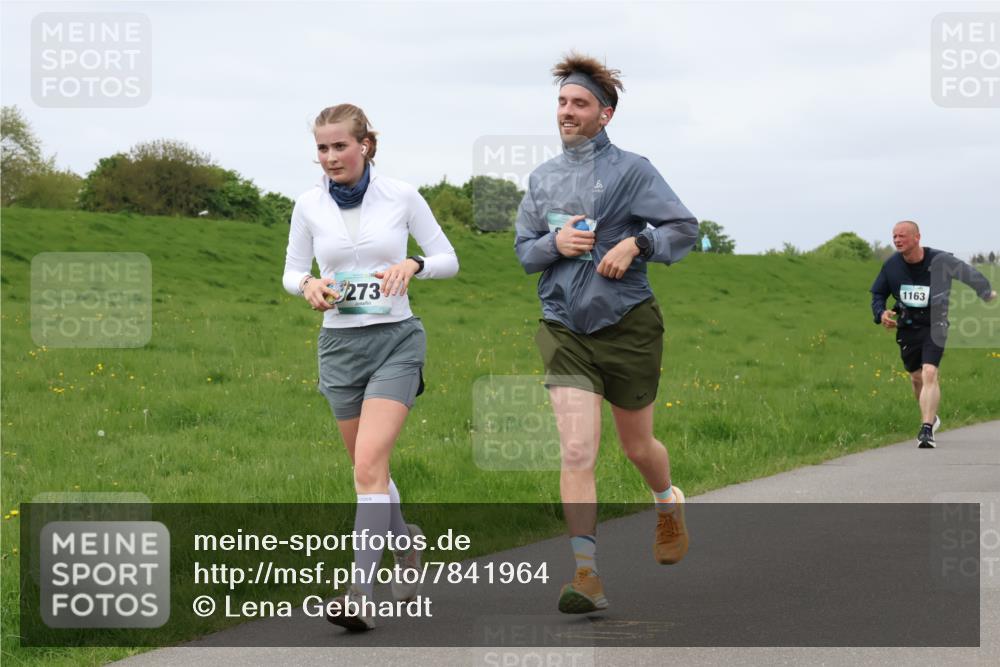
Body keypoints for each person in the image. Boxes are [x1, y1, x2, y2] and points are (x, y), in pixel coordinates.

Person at [514, 53, 699, 614]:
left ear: (606, 114)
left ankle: (666, 500)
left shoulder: (633, 171)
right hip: (563, 326)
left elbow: (684, 228)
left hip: (627, 323)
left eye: (580, 103)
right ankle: (586, 575)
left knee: (637, 446)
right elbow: (524, 252)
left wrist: (637, 243)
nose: (567, 112)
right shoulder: (542, 179)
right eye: (562, 102)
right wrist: (553, 245)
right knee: (576, 449)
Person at [282, 104, 459, 630]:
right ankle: (406, 545)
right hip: (339, 347)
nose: (330, 156)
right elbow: (292, 271)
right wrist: (309, 285)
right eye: (322, 147)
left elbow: (447, 258)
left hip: (395, 343)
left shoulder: (401, 196)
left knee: (367, 468)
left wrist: (413, 264)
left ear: (366, 145)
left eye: (340, 145)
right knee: (370, 471)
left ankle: (359, 592)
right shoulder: (309, 205)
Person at [870, 220, 995, 448]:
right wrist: (881, 313)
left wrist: (985, 291)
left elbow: (967, 273)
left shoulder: (941, 260)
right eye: (894, 236)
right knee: (916, 377)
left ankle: (926, 429)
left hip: (935, 323)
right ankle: (931, 417)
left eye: (902, 236)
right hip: (907, 326)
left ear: (917, 237)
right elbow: (878, 294)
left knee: (929, 372)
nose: (897, 240)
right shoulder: (891, 266)